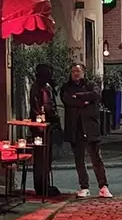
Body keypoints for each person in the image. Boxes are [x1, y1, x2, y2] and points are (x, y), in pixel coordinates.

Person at [60, 64, 111, 197]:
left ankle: (103, 186)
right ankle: (84, 186)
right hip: (75, 127)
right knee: (79, 159)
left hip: (90, 127)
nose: (75, 74)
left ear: (83, 72)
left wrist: (78, 96)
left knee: (96, 157)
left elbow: (95, 95)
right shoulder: (66, 87)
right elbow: (67, 99)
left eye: (77, 71)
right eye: (73, 71)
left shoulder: (91, 84)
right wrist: (83, 101)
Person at [29, 64, 60, 197]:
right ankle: (43, 187)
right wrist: (56, 119)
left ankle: (41, 186)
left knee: (40, 159)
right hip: (44, 128)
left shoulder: (36, 86)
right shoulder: (44, 88)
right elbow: (48, 107)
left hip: (37, 127)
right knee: (44, 158)